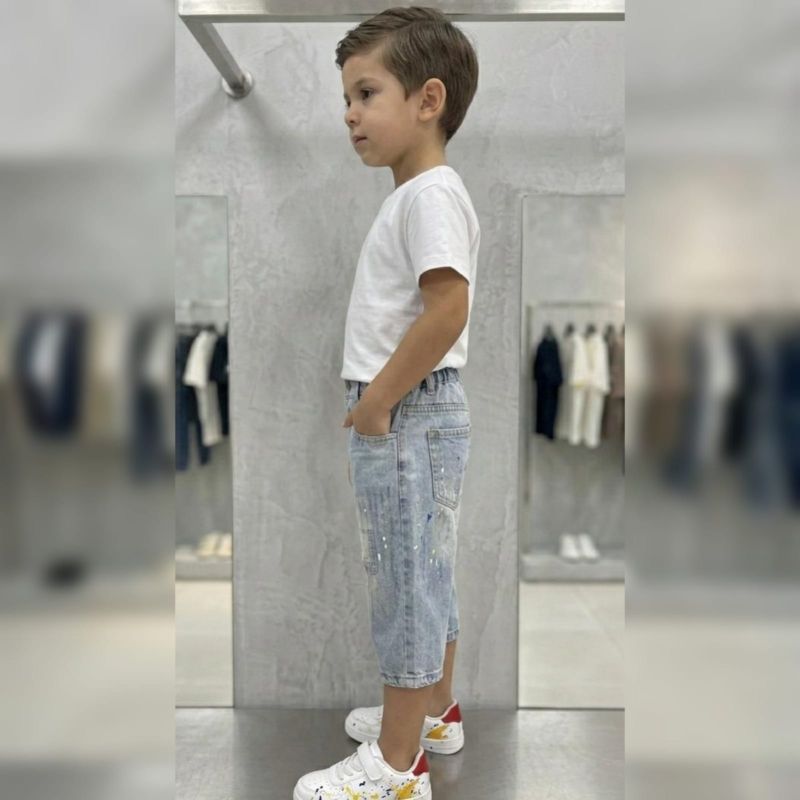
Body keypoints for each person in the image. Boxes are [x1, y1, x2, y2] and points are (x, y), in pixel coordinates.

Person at [293, 8, 480, 800]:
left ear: (428, 99)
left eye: (366, 93)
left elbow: (448, 309)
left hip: (408, 414)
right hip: (420, 413)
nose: (350, 113)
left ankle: (399, 767)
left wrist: (376, 402)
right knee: (425, 573)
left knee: (404, 583)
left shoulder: (428, 196)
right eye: (348, 97)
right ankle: (434, 714)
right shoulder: (422, 195)